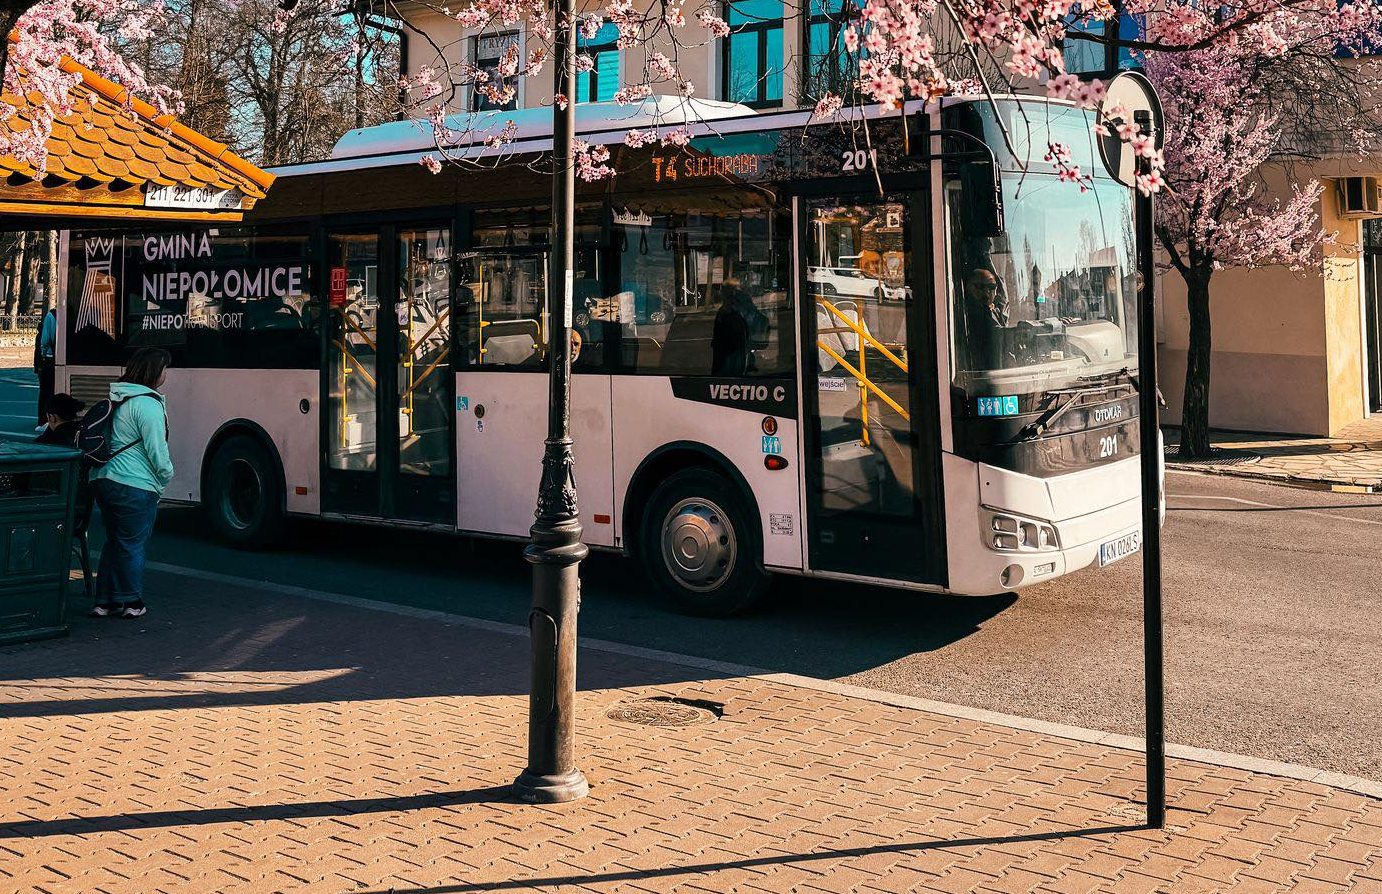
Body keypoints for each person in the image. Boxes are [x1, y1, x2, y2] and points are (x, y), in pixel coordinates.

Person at [89, 347, 174, 619]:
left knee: (115, 541)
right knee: (133, 543)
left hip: (104, 479)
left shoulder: (118, 397)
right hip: (135, 483)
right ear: (154, 372)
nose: (165, 374)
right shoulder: (148, 404)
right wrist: (165, 476)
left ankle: (105, 601)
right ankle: (132, 601)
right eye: (164, 369)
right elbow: (157, 452)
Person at [962, 267, 1009, 369]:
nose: (986, 291)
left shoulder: (997, 311)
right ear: (967, 287)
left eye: (991, 286)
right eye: (980, 286)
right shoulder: (967, 314)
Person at [32, 305, 56, 426]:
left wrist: (42, 357)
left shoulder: (51, 316)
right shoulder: (72, 315)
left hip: (50, 359)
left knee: (45, 392)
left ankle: (44, 419)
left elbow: (44, 341)